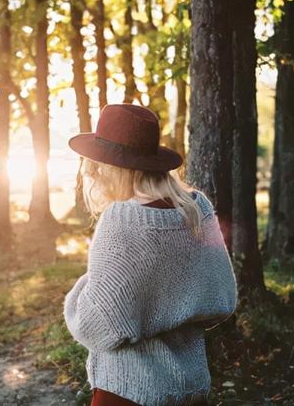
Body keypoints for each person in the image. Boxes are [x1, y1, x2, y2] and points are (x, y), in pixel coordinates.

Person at [63, 104, 238, 406]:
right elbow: (222, 298)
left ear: (109, 167)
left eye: (97, 165)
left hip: (128, 393)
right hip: (192, 388)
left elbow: (94, 325)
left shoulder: (121, 220)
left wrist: (85, 286)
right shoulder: (198, 210)